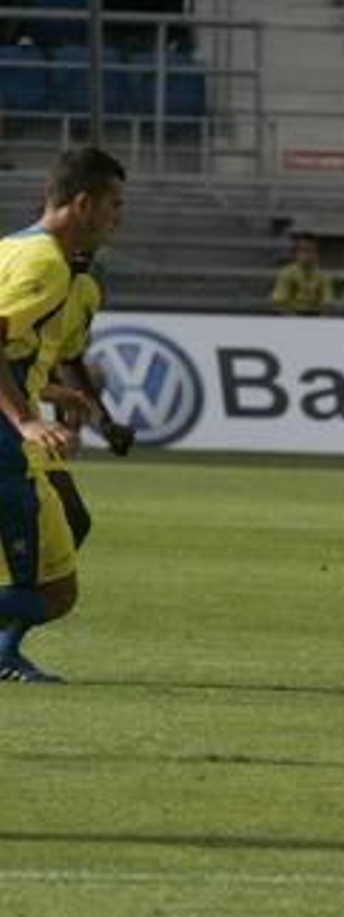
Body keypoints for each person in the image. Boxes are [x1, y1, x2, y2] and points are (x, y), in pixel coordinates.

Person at [0, 146, 127, 683]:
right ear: (83, 204)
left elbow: (52, 354)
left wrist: (91, 409)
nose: (119, 218)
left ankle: (4, 650)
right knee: (51, 592)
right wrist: (27, 418)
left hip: (19, 425)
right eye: (114, 205)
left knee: (64, 547)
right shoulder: (44, 264)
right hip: (11, 428)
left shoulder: (19, 251)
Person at [271, 232, 337, 316]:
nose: (307, 255)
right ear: (295, 253)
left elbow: (328, 304)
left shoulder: (324, 276)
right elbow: (279, 304)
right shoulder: (285, 273)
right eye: (303, 250)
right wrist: (296, 321)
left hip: (316, 318)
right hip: (291, 318)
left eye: (311, 251)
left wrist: (319, 321)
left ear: (317, 254)